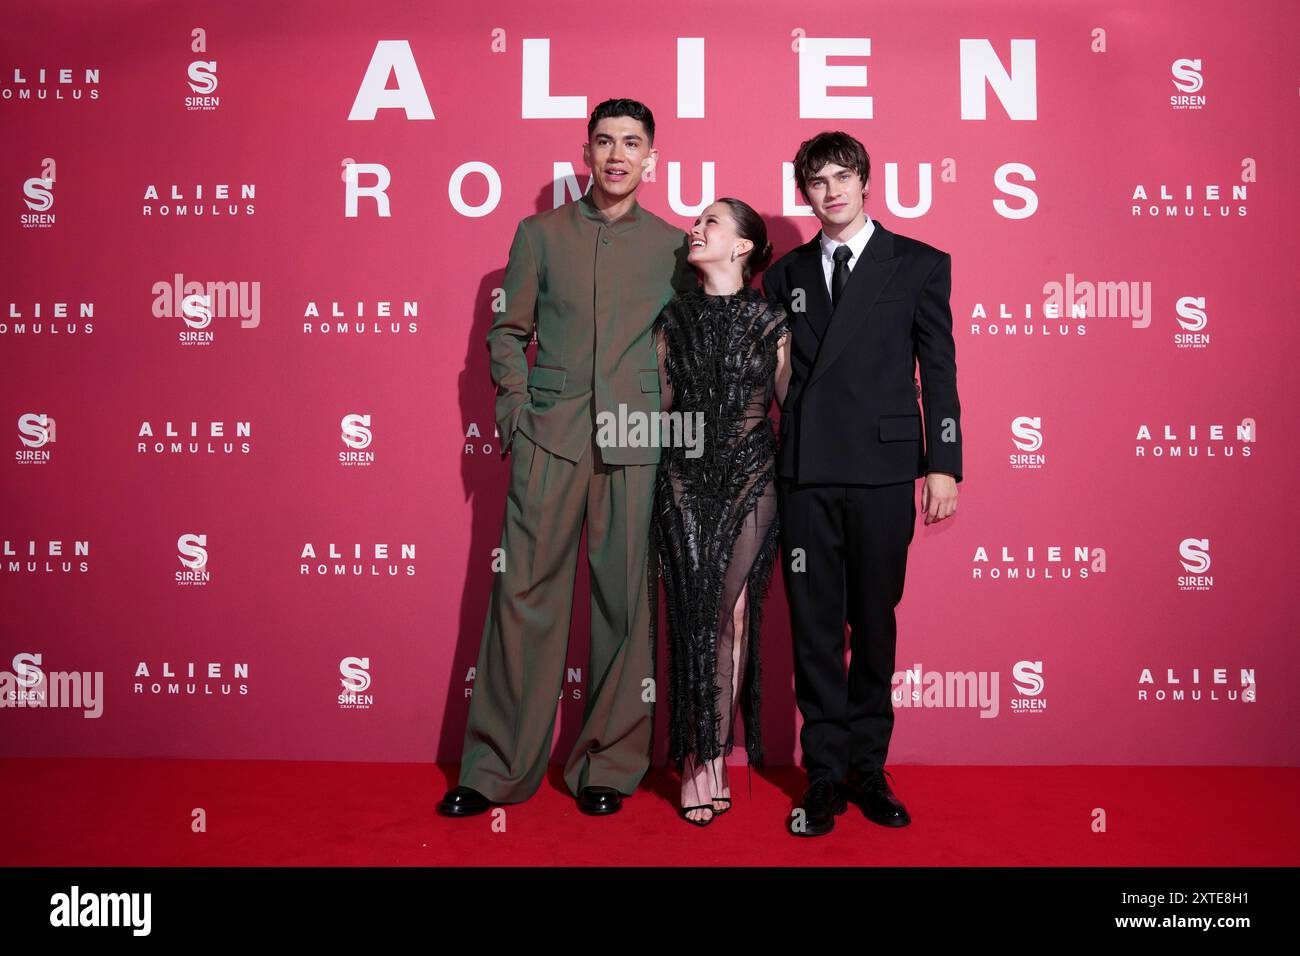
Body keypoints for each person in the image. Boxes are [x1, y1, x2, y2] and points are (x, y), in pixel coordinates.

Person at [437, 98, 692, 818]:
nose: (617, 155)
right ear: (586, 155)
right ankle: (493, 769)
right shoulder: (538, 234)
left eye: (631, 143)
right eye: (604, 142)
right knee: (521, 598)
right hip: (550, 436)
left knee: (626, 604)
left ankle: (609, 762)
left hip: (638, 444)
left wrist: (669, 421)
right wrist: (517, 414)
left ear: (651, 159)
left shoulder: (676, 245)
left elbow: (690, 344)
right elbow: (506, 333)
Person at [762, 131, 962, 837]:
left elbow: (938, 369)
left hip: (883, 468)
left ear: (867, 181)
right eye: (817, 182)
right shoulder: (784, 276)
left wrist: (943, 463)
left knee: (874, 622)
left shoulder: (918, 264)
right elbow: (779, 377)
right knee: (815, 626)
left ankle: (868, 768)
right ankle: (823, 774)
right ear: (805, 193)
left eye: (842, 176)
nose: (832, 191)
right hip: (809, 468)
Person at [652, 198, 790, 825]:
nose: (694, 228)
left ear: (741, 247)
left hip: (752, 477)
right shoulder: (672, 318)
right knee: (692, 615)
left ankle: (715, 758)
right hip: (683, 476)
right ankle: (694, 756)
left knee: (733, 616)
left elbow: (795, 406)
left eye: (709, 222)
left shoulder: (773, 322)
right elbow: (662, 410)